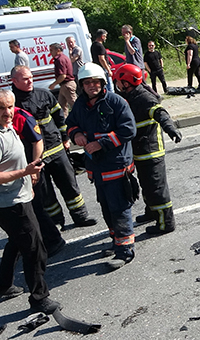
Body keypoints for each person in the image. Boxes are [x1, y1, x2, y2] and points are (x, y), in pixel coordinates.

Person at [66, 64, 137, 270]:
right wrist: (76, 134)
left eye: (95, 82)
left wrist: (101, 143)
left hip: (116, 165)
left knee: (119, 208)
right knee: (106, 208)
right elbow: (71, 123)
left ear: (102, 83)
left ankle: (125, 251)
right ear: (81, 85)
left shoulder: (116, 102)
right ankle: (117, 242)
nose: (91, 86)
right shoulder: (80, 104)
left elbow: (128, 130)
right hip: (97, 169)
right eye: (87, 83)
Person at [11, 65, 97, 229]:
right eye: (25, 79)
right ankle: (56, 222)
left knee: (69, 184)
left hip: (56, 149)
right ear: (14, 81)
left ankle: (81, 216)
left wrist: (65, 138)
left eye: (31, 77)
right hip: (34, 156)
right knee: (45, 193)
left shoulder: (43, 94)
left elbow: (59, 117)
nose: (31, 81)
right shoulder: (12, 103)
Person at [0, 89, 61, 313]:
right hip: (10, 203)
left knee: (17, 242)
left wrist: (28, 182)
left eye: (9, 107)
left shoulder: (9, 127)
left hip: (20, 196)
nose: (7, 112)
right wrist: (24, 173)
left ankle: (3, 285)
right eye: (1, 108)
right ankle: (39, 298)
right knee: (35, 249)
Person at [113, 64, 182, 235]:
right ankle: (151, 212)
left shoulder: (144, 97)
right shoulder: (129, 96)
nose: (117, 84)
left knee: (156, 188)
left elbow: (160, 113)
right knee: (146, 185)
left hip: (151, 151)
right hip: (139, 151)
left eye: (119, 81)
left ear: (127, 82)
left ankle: (166, 223)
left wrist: (171, 129)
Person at [47, 43, 77, 116]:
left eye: (51, 50)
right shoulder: (63, 57)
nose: (50, 52)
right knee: (61, 106)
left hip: (67, 85)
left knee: (75, 105)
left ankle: (84, 120)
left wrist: (53, 84)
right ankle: (64, 122)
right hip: (65, 85)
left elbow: (62, 75)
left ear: (58, 50)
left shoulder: (60, 59)